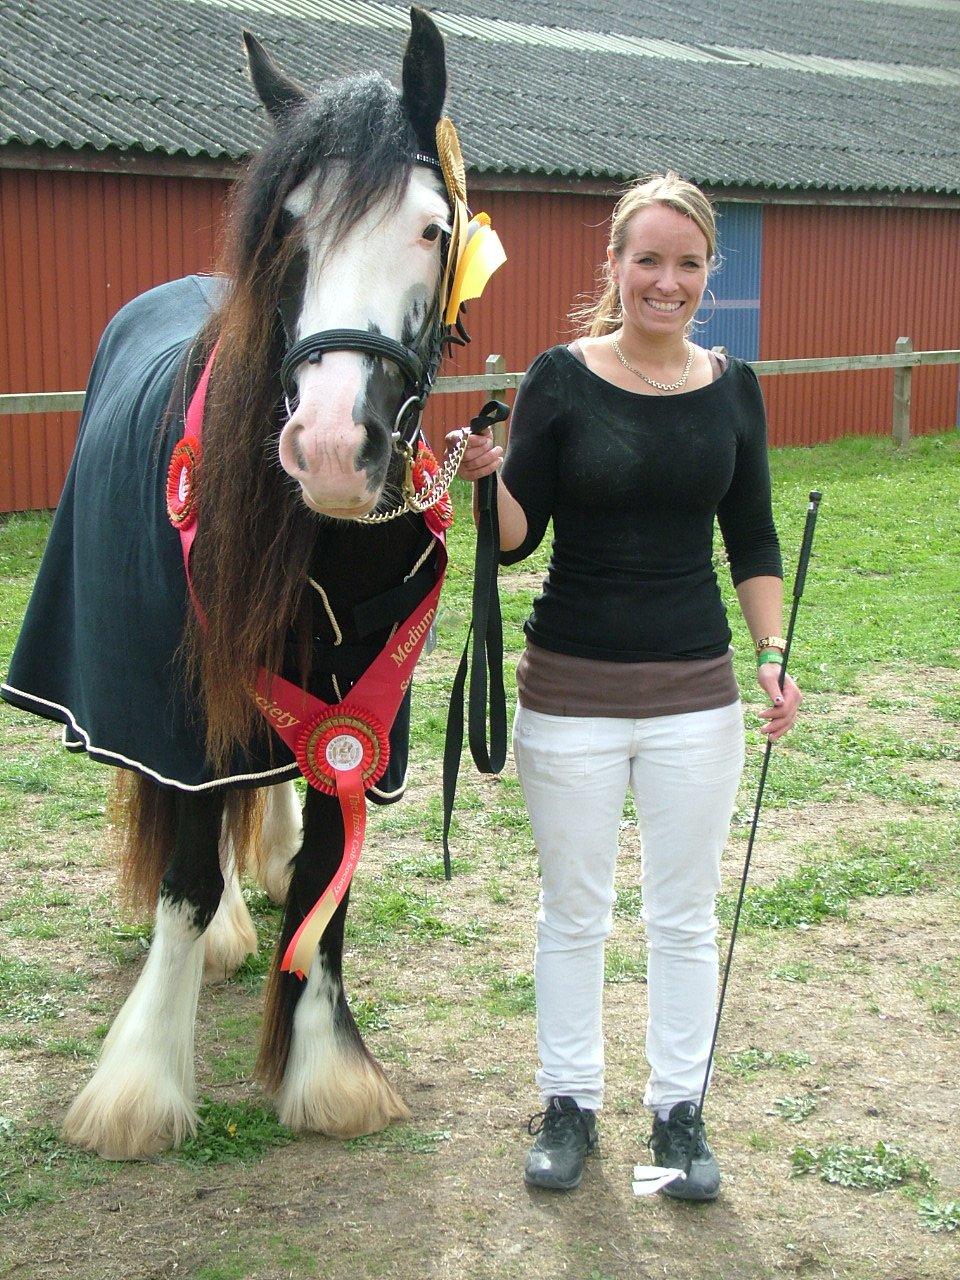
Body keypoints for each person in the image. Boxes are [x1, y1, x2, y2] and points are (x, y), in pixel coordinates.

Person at [453, 171, 801, 1199]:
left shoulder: (734, 386)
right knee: (575, 911)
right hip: (570, 691)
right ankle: (569, 1105)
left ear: (707, 274)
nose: (667, 280)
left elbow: (753, 532)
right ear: (614, 266)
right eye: (647, 259)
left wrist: (773, 652)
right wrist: (486, 478)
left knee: (684, 917)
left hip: (699, 692)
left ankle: (678, 1112)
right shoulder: (560, 379)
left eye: (687, 263)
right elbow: (516, 540)